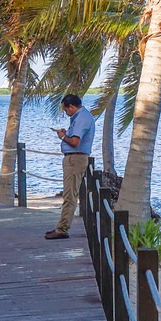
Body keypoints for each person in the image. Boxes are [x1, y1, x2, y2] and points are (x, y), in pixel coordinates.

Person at [46, 94, 95, 240]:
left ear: (72, 107)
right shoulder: (81, 117)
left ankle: (62, 229)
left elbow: (75, 142)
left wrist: (63, 137)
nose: (66, 113)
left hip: (76, 159)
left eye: (66, 110)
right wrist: (65, 133)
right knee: (70, 194)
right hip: (74, 158)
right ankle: (61, 226)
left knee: (70, 195)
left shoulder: (81, 118)